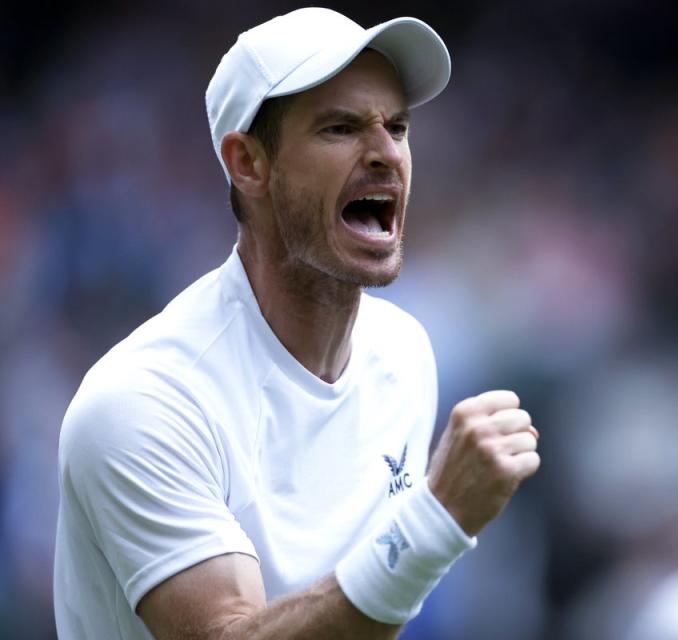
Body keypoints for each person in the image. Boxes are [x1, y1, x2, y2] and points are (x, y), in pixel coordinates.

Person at [53, 8, 540, 639]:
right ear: (248, 164)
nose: (387, 153)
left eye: (397, 126)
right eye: (341, 128)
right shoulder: (141, 402)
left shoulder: (404, 352)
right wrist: (435, 519)